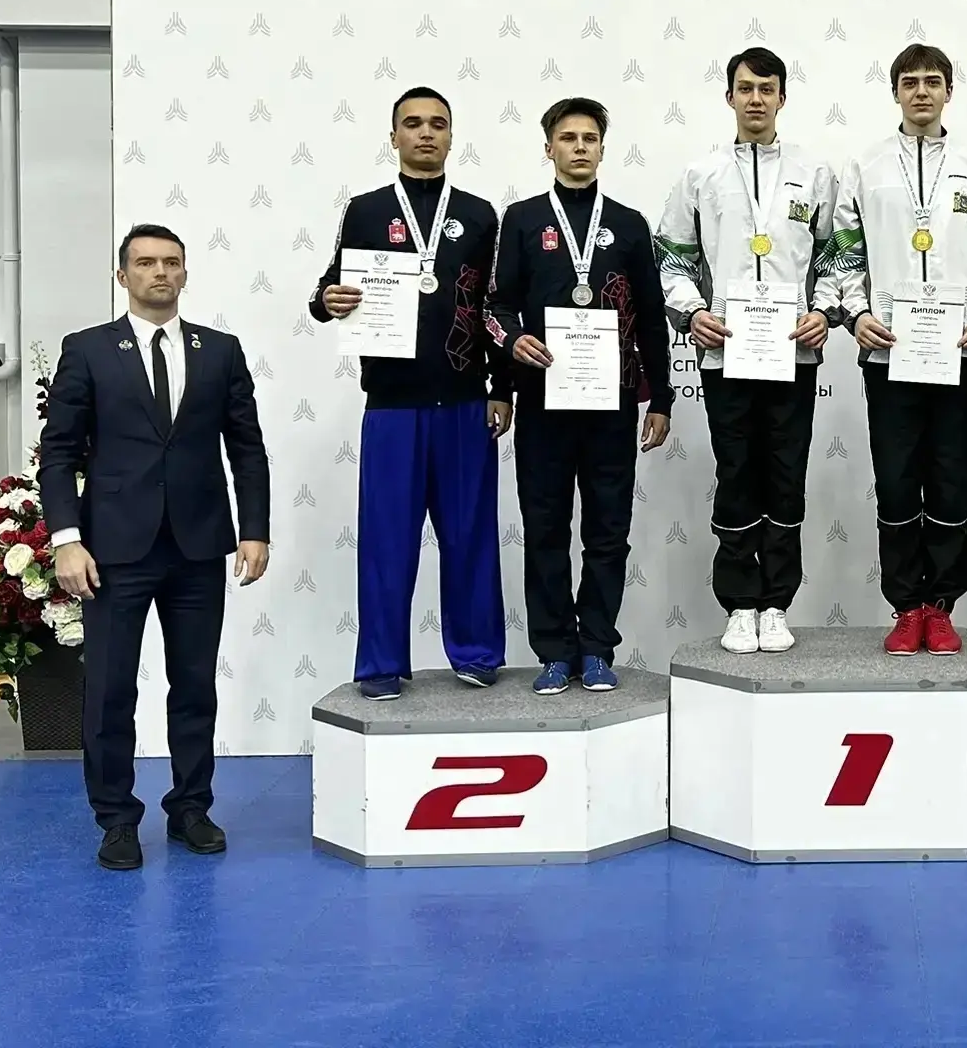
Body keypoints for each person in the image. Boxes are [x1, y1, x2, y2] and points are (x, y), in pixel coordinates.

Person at [39, 225, 271, 870]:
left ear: (185, 273)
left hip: (198, 546)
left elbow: (246, 447)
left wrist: (254, 529)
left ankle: (191, 808)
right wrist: (66, 540)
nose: (160, 272)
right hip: (113, 550)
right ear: (123, 276)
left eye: (171, 262)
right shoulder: (87, 350)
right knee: (110, 690)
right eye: (145, 263)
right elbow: (58, 453)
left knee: (194, 686)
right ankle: (116, 819)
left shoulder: (220, 350)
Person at [309, 88, 513, 699]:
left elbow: (496, 307)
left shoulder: (480, 215)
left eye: (438, 124)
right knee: (386, 540)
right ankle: (380, 664)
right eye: (413, 123)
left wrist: (501, 387)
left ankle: (476, 652)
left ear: (452, 137)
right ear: (393, 135)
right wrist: (325, 300)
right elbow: (329, 287)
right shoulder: (366, 210)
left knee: (470, 534)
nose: (426, 133)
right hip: (392, 406)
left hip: (465, 402)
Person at [826, 43, 967, 655]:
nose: (922, 92)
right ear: (895, 93)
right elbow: (844, 252)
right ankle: (907, 606)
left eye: (933, 81)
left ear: (949, 92)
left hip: (958, 352)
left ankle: (942, 606)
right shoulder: (866, 166)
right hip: (889, 353)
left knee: (951, 480)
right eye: (909, 82)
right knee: (897, 481)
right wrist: (856, 313)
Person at [654, 48, 839, 654]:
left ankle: (777, 602)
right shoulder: (700, 175)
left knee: (786, 472)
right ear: (728, 97)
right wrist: (692, 312)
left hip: (792, 353)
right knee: (735, 472)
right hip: (726, 352)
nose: (755, 98)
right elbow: (672, 255)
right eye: (745, 88)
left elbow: (839, 254)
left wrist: (823, 310)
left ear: (783, 97)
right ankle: (739, 602)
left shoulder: (815, 174)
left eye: (766, 88)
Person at [487, 97, 672, 694]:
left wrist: (661, 397)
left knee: (607, 531)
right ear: (549, 148)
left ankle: (595, 648)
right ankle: (553, 651)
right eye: (568, 138)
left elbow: (651, 317)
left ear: (602, 148)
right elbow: (496, 306)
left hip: (611, 403)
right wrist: (507, 362)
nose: (580, 147)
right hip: (543, 401)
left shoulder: (629, 223)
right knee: (544, 528)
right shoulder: (521, 219)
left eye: (590, 138)